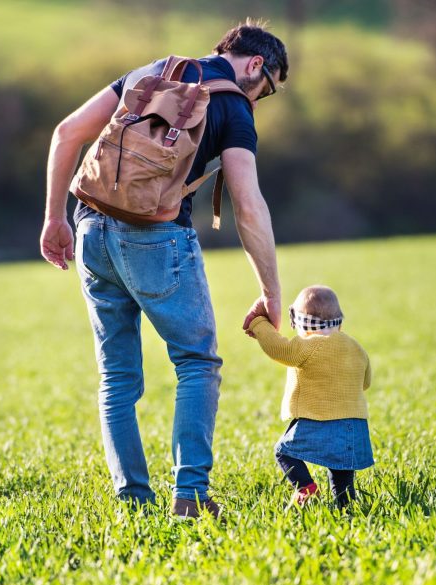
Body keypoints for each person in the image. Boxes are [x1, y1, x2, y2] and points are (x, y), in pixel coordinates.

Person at [40, 21, 289, 518]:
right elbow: (248, 205)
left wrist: (53, 218)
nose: (260, 100)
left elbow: (67, 132)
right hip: (156, 238)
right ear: (255, 64)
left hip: (91, 228)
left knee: (116, 375)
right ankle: (190, 496)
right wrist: (271, 291)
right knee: (197, 362)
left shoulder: (153, 72)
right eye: (267, 89)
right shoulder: (233, 106)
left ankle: (133, 501)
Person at [245, 285, 374, 508]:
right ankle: (347, 509)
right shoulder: (356, 348)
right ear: (339, 321)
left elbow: (278, 348)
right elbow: (366, 382)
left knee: (284, 452)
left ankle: (306, 488)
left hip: (321, 420)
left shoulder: (310, 345)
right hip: (354, 425)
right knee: (341, 476)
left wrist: (259, 323)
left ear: (301, 324)